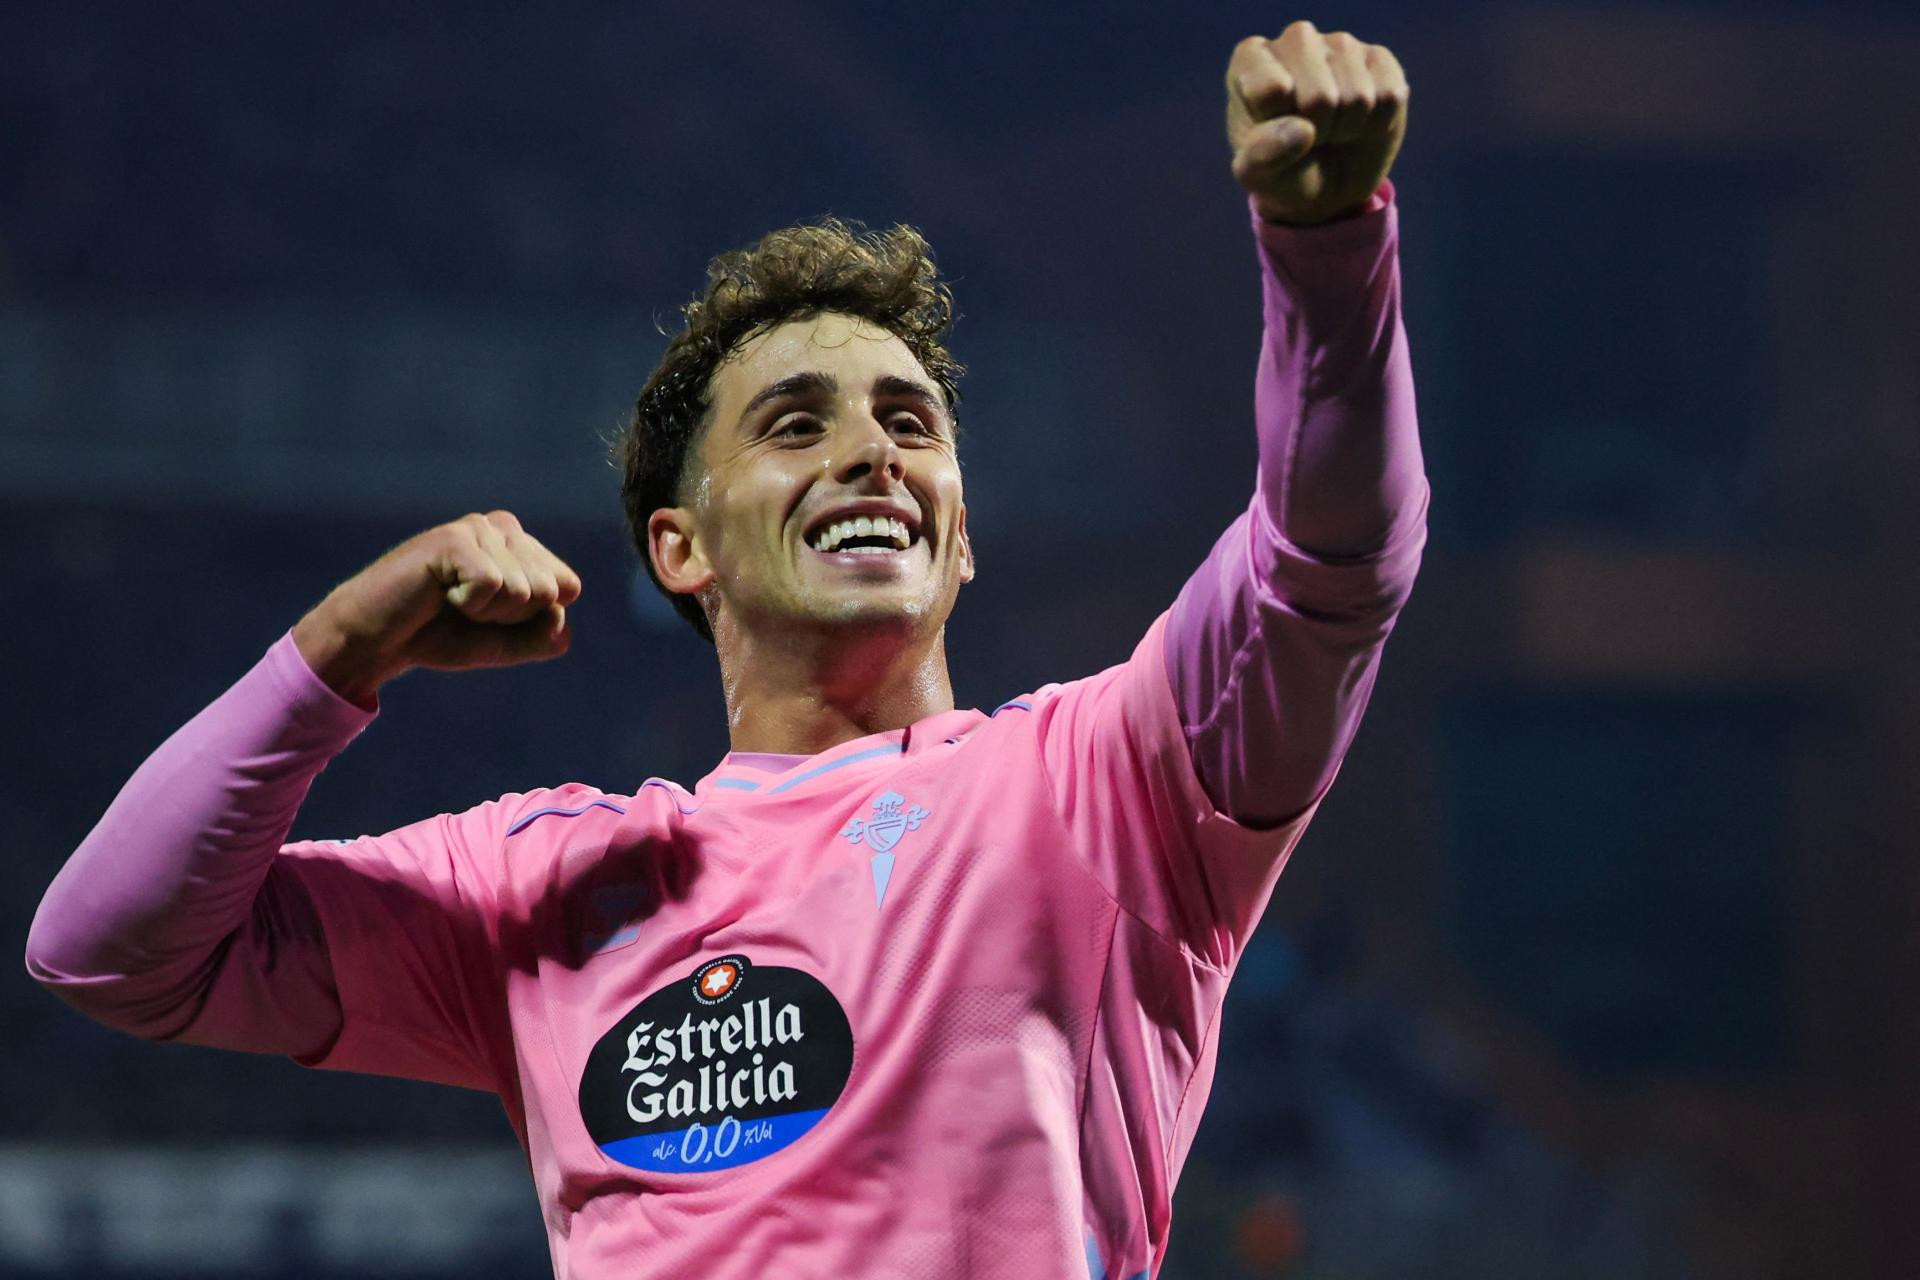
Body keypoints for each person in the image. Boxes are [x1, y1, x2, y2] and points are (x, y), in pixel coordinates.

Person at [26, 21, 1425, 1280]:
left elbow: (1328, 561)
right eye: (797, 426)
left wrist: (1327, 253)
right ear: (680, 548)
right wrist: (340, 650)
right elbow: (108, 952)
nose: (872, 453)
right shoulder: (549, 879)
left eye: (910, 424)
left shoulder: (1105, 783)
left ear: (961, 540)